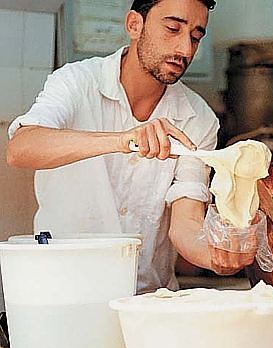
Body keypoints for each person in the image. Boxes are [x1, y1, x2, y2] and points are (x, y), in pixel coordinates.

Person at [6, 0, 256, 292]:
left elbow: (185, 224)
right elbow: (21, 148)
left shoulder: (198, 118)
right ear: (134, 25)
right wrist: (121, 140)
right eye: (173, 28)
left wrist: (218, 256)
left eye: (195, 37)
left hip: (148, 303)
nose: (185, 49)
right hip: (64, 295)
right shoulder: (76, 82)